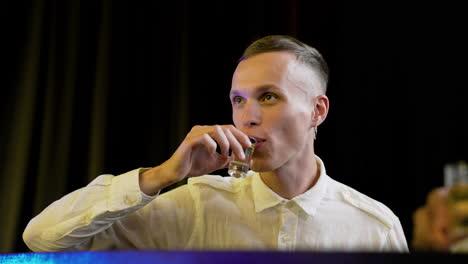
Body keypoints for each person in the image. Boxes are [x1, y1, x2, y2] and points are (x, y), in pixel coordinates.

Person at [23, 35, 409, 252]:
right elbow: (42, 238)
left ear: (317, 111)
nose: (248, 116)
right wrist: (161, 175)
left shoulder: (374, 227)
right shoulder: (196, 206)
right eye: (238, 100)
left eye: (269, 97)